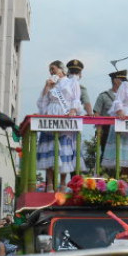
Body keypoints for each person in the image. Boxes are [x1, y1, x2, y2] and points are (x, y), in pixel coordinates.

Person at [36, 60, 81, 189]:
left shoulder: (72, 82)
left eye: (53, 69)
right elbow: (42, 103)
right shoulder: (51, 84)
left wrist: (73, 110)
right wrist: (47, 87)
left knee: (64, 149)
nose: (51, 72)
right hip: (51, 113)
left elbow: (76, 99)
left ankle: (62, 183)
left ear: (61, 70)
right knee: (50, 149)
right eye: (50, 70)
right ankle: (50, 183)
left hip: (65, 115)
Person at [94, 69, 128, 157]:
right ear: (115, 81)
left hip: (124, 131)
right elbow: (97, 114)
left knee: (123, 156)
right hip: (107, 131)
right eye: (122, 80)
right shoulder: (103, 96)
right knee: (106, 155)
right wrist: (99, 131)